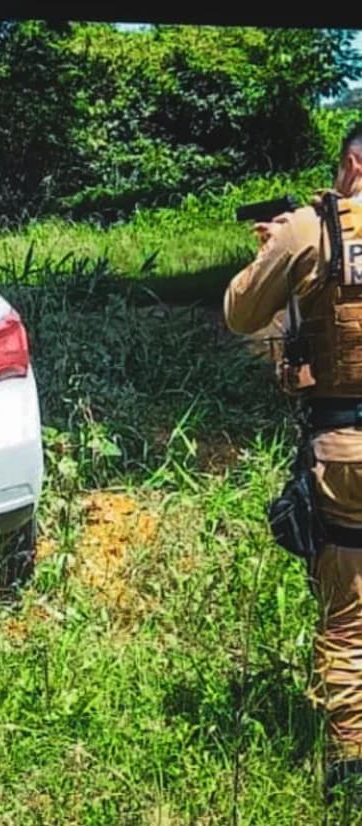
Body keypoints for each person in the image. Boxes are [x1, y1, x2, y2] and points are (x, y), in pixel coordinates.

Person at [222, 121, 362, 802]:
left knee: (348, 615)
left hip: (347, 451)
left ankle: (349, 769)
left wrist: (278, 248)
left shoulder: (311, 230)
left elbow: (239, 315)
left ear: (352, 164)